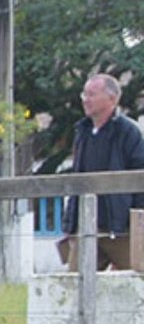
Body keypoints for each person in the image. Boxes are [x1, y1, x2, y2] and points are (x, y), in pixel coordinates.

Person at [57, 73, 144, 270]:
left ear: (111, 99)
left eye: (91, 94)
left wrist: (138, 223)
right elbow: (77, 180)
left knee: (136, 282)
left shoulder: (128, 132)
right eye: (84, 94)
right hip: (87, 226)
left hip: (121, 229)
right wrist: (70, 225)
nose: (85, 100)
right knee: (74, 285)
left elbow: (139, 178)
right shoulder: (82, 132)